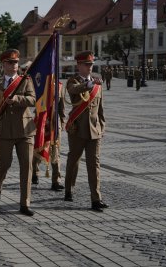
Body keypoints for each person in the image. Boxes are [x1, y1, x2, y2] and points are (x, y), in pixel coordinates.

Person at [0, 49, 36, 216]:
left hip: (25, 130)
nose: (14, 65)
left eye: (16, 62)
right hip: (4, 131)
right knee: (3, 164)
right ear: (3, 64)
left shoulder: (25, 80)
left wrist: (17, 99)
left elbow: (33, 99)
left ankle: (24, 203)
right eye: (10, 62)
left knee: (26, 166)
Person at [64, 50, 108, 212]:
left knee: (94, 164)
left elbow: (101, 109)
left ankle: (96, 199)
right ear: (79, 65)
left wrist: (102, 127)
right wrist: (88, 85)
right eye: (86, 65)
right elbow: (73, 90)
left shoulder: (97, 85)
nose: (89, 67)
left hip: (94, 131)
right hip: (77, 131)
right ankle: (68, 188)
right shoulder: (72, 81)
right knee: (73, 161)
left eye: (91, 64)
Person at [32, 81, 66, 191]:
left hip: (55, 124)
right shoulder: (39, 83)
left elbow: (61, 106)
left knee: (56, 151)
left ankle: (56, 181)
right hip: (41, 122)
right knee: (39, 149)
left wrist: (63, 120)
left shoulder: (60, 86)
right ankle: (34, 172)